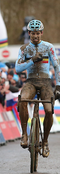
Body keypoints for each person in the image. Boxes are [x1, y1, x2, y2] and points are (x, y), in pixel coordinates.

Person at [15, 19, 60, 157]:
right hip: (31, 81)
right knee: (22, 100)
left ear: (41, 33)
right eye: (33, 33)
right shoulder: (24, 49)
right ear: (29, 33)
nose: (35, 36)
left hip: (46, 82)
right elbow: (17, 68)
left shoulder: (48, 47)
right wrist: (32, 60)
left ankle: (45, 141)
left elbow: (57, 66)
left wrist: (58, 85)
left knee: (48, 110)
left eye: (38, 33)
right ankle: (24, 134)